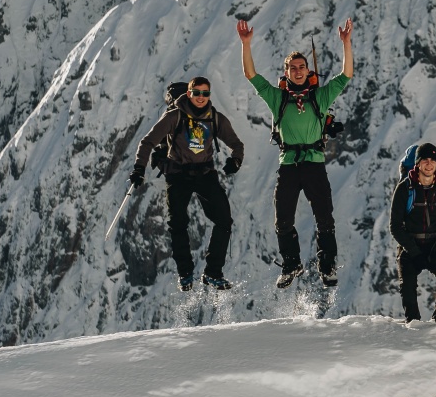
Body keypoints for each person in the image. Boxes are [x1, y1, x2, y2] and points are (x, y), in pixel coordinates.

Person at [236, 17, 355, 288]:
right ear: (286, 72)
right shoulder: (278, 98)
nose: (299, 71)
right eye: (293, 68)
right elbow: (251, 76)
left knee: (325, 218)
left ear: (307, 70)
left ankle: (327, 267)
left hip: (313, 164)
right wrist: (246, 45)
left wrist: (346, 44)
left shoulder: (320, 97)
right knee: (283, 219)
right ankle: (291, 264)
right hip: (288, 165)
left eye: (302, 67)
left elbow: (346, 75)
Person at [128, 77, 247, 291]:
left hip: (205, 174)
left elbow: (236, 143)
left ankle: (213, 272)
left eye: (205, 93)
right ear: (189, 93)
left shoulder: (215, 118)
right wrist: (139, 168)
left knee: (224, 220)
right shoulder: (175, 116)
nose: (201, 97)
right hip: (178, 174)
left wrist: (235, 160)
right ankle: (185, 273)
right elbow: (148, 141)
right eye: (197, 93)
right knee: (178, 223)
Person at [389, 142, 436, 322]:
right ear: (417, 163)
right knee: (408, 289)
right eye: (425, 160)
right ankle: (414, 326)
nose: (429, 164)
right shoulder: (404, 188)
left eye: (433, 160)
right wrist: (414, 251)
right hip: (410, 246)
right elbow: (395, 226)